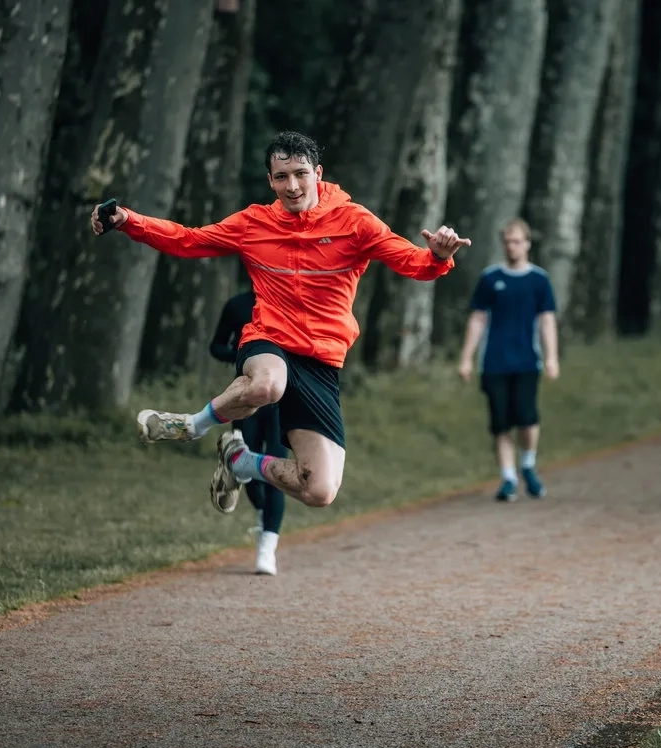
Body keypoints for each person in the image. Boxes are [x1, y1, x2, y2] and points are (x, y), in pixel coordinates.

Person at [90, 131, 471, 514]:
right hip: (269, 339)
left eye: (301, 174)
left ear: (317, 173)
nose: (292, 186)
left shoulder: (355, 222)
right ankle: (191, 426)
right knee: (268, 385)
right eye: (282, 177)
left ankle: (240, 461)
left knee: (320, 490)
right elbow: (188, 240)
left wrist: (437, 256)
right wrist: (128, 220)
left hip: (320, 360)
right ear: (270, 181)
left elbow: (413, 263)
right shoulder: (253, 223)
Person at [457, 220, 559, 501]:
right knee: (500, 423)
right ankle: (508, 477)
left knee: (527, 418)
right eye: (508, 242)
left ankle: (528, 464)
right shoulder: (490, 278)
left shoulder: (539, 280)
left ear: (527, 243)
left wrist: (551, 357)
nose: (512, 247)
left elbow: (547, 320)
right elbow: (478, 319)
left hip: (527, 361)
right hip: (494, 362)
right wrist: (466, 358)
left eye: (517, 241)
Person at [209, 288, 288, 575]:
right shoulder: (238, 305)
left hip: (284, 399)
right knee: (247, 468)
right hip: (246, 398)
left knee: (277, 467)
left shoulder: (291, 298)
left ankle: (267, 549)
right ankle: (262, 513)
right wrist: (243, 354)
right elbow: (216, 346)